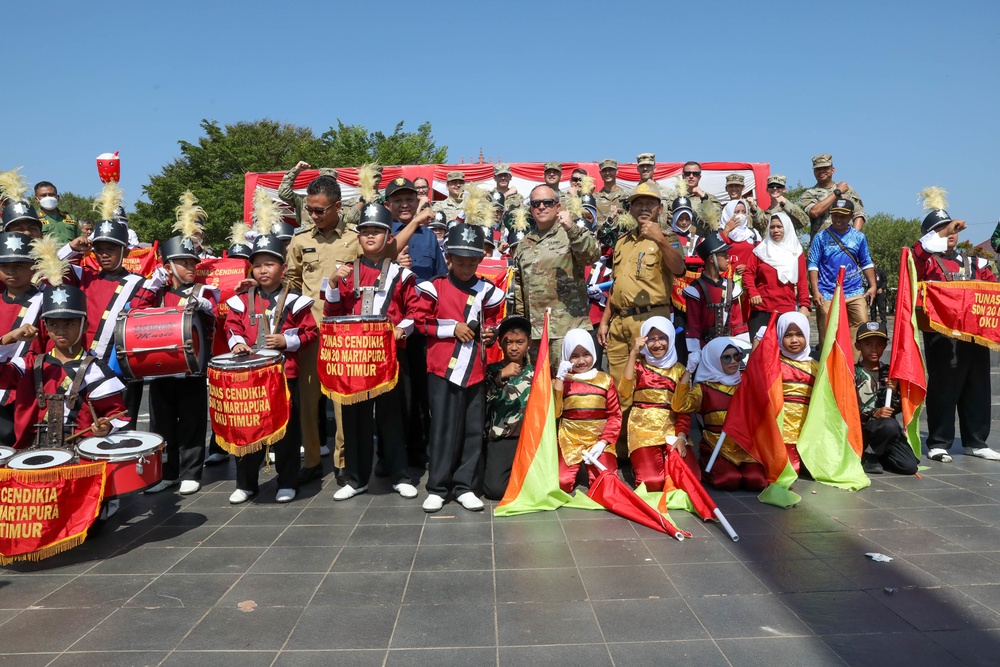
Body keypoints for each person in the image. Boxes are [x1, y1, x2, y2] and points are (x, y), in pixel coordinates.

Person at [324, 201, 422, 500]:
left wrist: (401, 330)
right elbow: (332, 310)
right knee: (355, 419)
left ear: (388, 237)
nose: (370, 237)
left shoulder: (401, 274)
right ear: (358, 237)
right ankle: (355, 478)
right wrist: (332, 282)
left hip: (389, 357)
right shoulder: (347, 271)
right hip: (354, 358)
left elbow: (415, 312)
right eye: (364, 232)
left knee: (392, 416)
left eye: (377, 232)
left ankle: (400, 474)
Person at [415, 203, 504, 512]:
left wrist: (490, 332)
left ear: (480, 260)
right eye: (460, 260)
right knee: (441, 428)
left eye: (472, 261)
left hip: (476, 370)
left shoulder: (487, 290)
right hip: (441, 368)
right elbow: (420, 323)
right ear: (448, 258)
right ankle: (438, 486)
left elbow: (493, 320)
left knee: (471, 427)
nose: (467, 267)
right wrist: (454, 329)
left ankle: (465, 485)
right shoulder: (432, 287)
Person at [133, 193, 219, 495]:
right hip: (160, 367)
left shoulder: (203, 290)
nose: (191, 267)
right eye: (183, 262)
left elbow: (215, 321)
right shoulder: (156, 291)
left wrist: (208, 308)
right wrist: (149, 287)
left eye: (192, 261)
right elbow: (135, 316)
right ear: (169, 266)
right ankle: (165, 473)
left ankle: (191, 472)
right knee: (161, 423)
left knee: (193, 422)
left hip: (192, 368)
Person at [225, 234, 317, 504]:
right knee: (247, 429)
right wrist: (238, 343)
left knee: (286, 431)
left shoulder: (296, 300)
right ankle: (246, 483)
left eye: (269, 264)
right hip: (249, 377)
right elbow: (232, 327)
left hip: (284, 375)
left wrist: (287, 341)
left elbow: (310, 333)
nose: (263, 270)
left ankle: (287, 481)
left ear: (283, 269)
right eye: (258, 265)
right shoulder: (241, 300)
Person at [911, 195, 1000, 463]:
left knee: (978, 384)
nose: (950, 234)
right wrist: (943, 232)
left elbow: (992, 290)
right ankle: (939, 442)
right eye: (941, 230)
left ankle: (976, 441)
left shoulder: (978, 263)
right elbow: (918, 251)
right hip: (942, 335)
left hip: (975, 335)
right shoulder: (924, 262)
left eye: (951, 228)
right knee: (944, 386)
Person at [285, 175, 360, 485]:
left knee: (342, 403)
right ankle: (313, 460)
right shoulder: (300, 240)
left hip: (343, 335)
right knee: (308, 401)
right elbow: (290, 282)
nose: (313, 216)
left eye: (320, 210)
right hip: (311, 334)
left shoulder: (356, 238)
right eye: (310, 210)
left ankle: (343, 463)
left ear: (338, 207)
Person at [0, 276, 129, 450]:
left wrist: (106, 426)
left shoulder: (96, 369)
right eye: (53, 324)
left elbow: (115, 413)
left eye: (69, 323)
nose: (61, 331)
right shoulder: (29, 365)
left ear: (84, 326)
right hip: (30, 455)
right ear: (46, 327)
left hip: (81, 456)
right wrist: (8, 338)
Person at [597, 181, 685, 408]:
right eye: (638, 204)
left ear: (660, 209)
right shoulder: (622, 242)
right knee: (620, 389)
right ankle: (624, 442)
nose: (644, 208)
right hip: (619, 321)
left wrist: (661, 240)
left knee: (651, 384)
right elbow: (616, 285)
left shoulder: (669, 238)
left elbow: (679, 269)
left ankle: (651, 440)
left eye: (650, 203)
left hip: (650, 322)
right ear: (631, 209)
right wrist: (605, 321)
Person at [385, 177, 442, 469]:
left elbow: (440, 277)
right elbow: (383, 258)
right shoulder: (381, 232)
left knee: (421, 391)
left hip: (421, 325)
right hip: (391, 327)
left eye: (409, 198)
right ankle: (389, 455)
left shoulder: (429, 236)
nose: (405, 204)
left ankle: (419, 450)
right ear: (388, 205)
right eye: (398, 200)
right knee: (392, 394)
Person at [512, 184, 600, 369]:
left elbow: (592, 255)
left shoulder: (570, 233)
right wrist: (521, 330)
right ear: (531, 209)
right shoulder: (524, 245)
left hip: (568, 332)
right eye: (536, 203)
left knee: (570, 391)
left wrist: (572, 228)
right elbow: (520, 292)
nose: (542, 207)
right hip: (536, 335)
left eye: (548, 202)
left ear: (558, 207)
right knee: (542, 395)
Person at [673, 337, 765, 490]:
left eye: (737, 356)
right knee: (729, 480)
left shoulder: (745, 382)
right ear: (714, 359)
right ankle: (705, 463)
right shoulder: (703, 388)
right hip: (716, 444)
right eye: (726, 358)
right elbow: (680, 405)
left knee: (757, 480)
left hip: (743, 444)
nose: (734, 361)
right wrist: (688, 371)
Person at [617, 317, 692, 491]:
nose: (657, 344)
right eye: (651, 339)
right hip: (643, 430)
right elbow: (624, 392)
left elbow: (684, 410)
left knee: (690, 479)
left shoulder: (679, 369)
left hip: (671, 430)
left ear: (671, 338)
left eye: (662, 338)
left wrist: (681, 437)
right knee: (651, 482)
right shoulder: (638, 366)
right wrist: (633, 354)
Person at [554, 329, 621, 493]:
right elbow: (554, 413)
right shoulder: (562, 380)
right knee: (562, 483)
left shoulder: (605, 380)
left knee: (605, 484)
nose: (581, 361)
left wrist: (603, 442)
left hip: (598, 441)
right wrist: (559, 381)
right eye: (574, 356)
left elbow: (615, 416)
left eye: (586, 354)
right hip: (569, 440)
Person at [807, 199, 876, 351]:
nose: (838, 219)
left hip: (854, 291)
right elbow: (813, 264)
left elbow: (866, 262)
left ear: (851, 217)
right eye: (835, 215)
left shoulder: (859, 237)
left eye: (843, 216)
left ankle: (854, 366)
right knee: (826, 331)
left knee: (861, 326)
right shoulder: (821, 237)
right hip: (827, 292)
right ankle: (827, 367)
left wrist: (873, 285)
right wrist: (815, 290)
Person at [854, 322, 919, 475]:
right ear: (858, 346)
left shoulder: (890, 372)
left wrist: (896, 391)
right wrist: (873, 413)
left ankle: (877, 454)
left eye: (879, 344)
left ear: (885, 346)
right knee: (889, 424)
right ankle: (868, 454)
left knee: (908, 466)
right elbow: (847, 407)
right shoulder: (853, 373)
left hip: (887, 431)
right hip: (862, 430)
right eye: (868, 344)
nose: (874, 349)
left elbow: (900, 408)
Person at [0, 232, 44, 445]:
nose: (10, 271)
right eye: (5, 265)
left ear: (33, 267)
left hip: (28, 392)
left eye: (18, 265)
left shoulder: (45, 303)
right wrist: (7, 339)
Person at [483, 316, 533, 500]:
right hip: (502, 438)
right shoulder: (490, 370)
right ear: (499, 345)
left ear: (528, 345)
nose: (514, 347)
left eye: (520, 342)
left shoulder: (536, 373)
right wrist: (500, 377)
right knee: (494, 490)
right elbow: (482, 401)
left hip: (528, 440)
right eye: (508, 342)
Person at [683, 234, 749, 373]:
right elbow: (693, 326)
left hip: (729, 352)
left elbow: (738, 323)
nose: (728, 259)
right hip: (705, 351)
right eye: (724, 255)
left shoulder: (731, 287)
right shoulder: (696, 289)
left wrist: (742, 348)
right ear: (712, 258)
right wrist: (695, 353)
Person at [744, 212, 810, 339]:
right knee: (759, 350)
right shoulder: (760, 250)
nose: (775, 230)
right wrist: (753, 292)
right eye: (772, 227)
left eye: (780, 227)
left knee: (783, 352)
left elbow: (802, 281)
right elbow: (748, 273)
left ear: (787, 228)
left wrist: (805, 305)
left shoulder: (796, 252)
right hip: (761, 309)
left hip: (786, 309)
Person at [776, 312, 817, 475]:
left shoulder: (816, 366)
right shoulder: (773, 364)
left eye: (799, 334)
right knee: (792, 469)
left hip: (809, 430)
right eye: (788, 335)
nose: (794, 340)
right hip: (782, 432)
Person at [801, 154, 866, 237]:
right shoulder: (809, 193)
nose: (821, 171)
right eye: (818, 169)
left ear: (832, 170)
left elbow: (859, 214)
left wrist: (853, 238)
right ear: (814, 172)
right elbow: (815, 212)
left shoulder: (847, 190)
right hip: (820, 245)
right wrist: (837, 192)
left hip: (844, 244)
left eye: (825, 168)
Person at [667, 162, 723, 236]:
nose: (691, 176)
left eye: (695, 174)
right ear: (683, 176)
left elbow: (716, 222)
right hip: (680, 242)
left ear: (699, 177)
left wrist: (703, 198)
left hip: (701, 242)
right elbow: (667, 222)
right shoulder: (674, 198)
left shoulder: (710, 198)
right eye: (688, 173)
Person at [277, 161, 338, 227]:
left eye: (330, 183)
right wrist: (296, 170)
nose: (326, 185)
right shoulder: (304, 200)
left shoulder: (337, 205)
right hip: (307, 236)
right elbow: (284, 193)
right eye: (323, 181)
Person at [34, 181, 82, 245]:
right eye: (43, 195)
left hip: (71, 254)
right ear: (36, 199)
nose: (48, 198)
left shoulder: (71, 218)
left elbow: (81, 238)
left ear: (58, 197)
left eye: (51, 195)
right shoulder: (34, 218)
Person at [595, 158, 629, 226]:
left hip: (622, 236)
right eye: (604, 170)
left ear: (617, 171)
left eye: (610, 170)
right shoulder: (594, 198)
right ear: (600, 173)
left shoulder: (626, 196)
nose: (607, 173)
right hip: (601, 235)